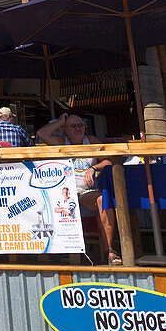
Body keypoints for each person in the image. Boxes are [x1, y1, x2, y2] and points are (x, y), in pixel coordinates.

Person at [38, 111, 121, 266]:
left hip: (85, 192)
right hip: (64, 193)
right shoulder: (63, 142)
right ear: (66, 130)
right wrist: (60, 122)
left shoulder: (90, 141)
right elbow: (41, 133)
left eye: (80, 125)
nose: (78, 128)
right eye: (73, 126)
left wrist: (94, 168)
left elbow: (109, 161)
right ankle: (59, 252)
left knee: (104, 200)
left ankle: (109, 250)